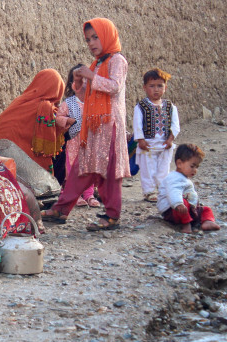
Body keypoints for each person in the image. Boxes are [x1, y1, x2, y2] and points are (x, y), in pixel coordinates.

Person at [40, 17, 130, 231]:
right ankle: (61, 209)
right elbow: (89, 95)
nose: (91, 43)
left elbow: (115, 86)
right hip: (95, 127)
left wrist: (90, 76)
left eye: (95, 37)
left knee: (109, 172)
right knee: (82, 168)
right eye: (88, 39)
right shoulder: (97, 63)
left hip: (110, 126)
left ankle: (111, 215)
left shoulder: (117, 60)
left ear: (107, 36)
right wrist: (79, 84)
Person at [0, 69, 66, 174]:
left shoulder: (21, 100)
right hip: (10, 154)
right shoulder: (45, 108)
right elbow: (47, 146)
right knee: (41, 166)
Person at [55, 63, 100, 208]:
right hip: (74, 143)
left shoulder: (94, 103)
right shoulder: (68, 103)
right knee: (72, 169)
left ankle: (89, 195)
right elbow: (58, 118)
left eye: (86, 79)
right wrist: (67, 121)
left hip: (90, 143)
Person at [133, 68, 180, 202]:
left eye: (160, 86)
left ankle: (162, 190)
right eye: (152, 86)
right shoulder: (141, 106)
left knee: (163, 168)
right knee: (148, 169)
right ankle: (149, 191)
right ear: (145, 87)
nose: (156, 89)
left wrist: (170, 139)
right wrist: (140, 140)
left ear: (165, 87)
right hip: (148, 144)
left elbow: (175, 125)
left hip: (165, 144)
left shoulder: (170, 106)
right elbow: (137, 124)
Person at [157, 144, 220, 234]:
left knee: (206, 209)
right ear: (179, 164)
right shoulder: (174, 177)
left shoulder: (184, 177)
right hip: (172, 210)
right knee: (184, 203)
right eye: (192, 166)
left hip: (187, 210)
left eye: (197, 167)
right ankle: (186, 225)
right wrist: (178, 204)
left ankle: (207, 221)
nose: (195, 170)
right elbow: (174, 191)